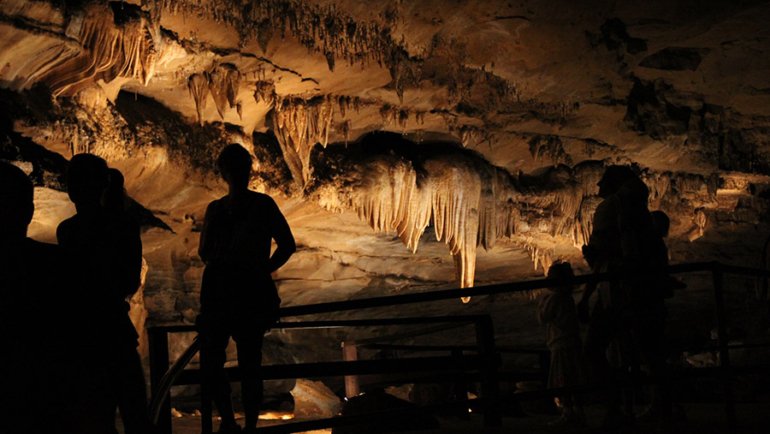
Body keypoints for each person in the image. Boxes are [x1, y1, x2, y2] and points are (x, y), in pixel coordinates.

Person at [198, 143, 296, 434]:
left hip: (223, 292)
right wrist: (261, 269)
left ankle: (231, 421)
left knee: (221, 362)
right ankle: (243, 422)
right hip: (245, 293)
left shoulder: (220, 209)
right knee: (247, 363)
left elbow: (205, 252)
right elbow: (287, 245)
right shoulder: (258, 205)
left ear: (223, 173)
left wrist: (255, 269)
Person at [56, 154, 151, 434]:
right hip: (113, 327)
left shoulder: (69, 231)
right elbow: (129, 281)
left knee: (94, 417)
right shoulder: (122, 226)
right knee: (134, 414)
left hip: (83, 332)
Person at [577, 165, 637, 428]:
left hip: (614, 290)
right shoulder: (634, 212)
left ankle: (615, 407)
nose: (598, 188)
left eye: (602, 184)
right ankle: (642, 405)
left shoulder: (609, 210)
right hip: (630, 288)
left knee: (595, 349)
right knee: (631, 349)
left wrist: (584, 298)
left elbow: (601, 259)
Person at [538, 261, 585, 427]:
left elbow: (543, 317)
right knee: (574, 377)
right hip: (572, 342)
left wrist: (542, 301)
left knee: (562, 379)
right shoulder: (567, 298)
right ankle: (578, 411)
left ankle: (569, 412)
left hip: (560, 344)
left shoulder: (555, 298)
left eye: (550, 276)